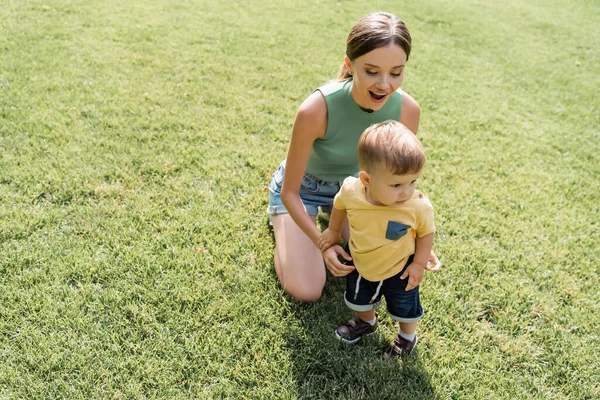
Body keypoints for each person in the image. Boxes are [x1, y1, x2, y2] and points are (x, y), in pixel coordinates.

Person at [267, 11, 440, 302]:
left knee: (387, 258)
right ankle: (285, 227)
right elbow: (291, 191)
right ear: (350, 64)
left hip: (363, 193)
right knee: (306, 290)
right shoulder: (315, 109)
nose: (384, 84)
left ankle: (329, 219)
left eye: (396, 72)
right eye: (372, 71)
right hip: (306, 192)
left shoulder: (407, 111)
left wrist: (414, 237)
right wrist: (322, 244)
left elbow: (398, 179)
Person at [317, 120, 434, 358]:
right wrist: (333, 230)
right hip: (362, 260)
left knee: (404, 306)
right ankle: (366, 322)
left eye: (413, 181)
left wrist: (418, 264)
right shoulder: (352, 190)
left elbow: (426, 232)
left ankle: (407, 336)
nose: (406, 191)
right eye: (396, 184)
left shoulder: (416, 206)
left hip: (400, 266)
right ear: (367, 180)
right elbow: (339, 205)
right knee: (360, 298)